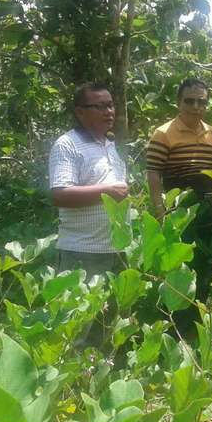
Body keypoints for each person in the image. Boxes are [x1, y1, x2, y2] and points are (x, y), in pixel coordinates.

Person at [146, 77, 212, 335]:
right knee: (181, 269)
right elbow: (154, 174)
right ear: (178, 102)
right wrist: (161, 211)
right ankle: (179, 326)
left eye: (201, 101)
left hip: (210, 210)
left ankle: (202, 322)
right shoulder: (164, 133)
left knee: (207, 265)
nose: (195, 106)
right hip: (179, 211)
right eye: (189, 101)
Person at [48, 82, 128, 277]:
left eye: (110, 105)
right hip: (82, 252)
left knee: (116, 308)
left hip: (117, 251)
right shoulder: (67, 144)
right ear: (80, 112)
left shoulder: (110, 144)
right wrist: (107, 192)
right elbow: (60, 195)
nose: (108, 112)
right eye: (100, 107)